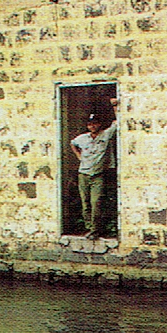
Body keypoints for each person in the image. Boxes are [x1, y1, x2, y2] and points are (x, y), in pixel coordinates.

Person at [70, 97, 119, 240]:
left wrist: (115, 107)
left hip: (98, 174)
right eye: (90, 124)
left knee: (96, 202)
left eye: (95, 123)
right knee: (85, 203)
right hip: (83, 174)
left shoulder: (105, 134)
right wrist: (78, 156)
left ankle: (96, 229)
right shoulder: (82, 138)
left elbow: (118, 123)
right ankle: (89, 228)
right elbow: (72, 143)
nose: (92, 126)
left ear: (99, 124)